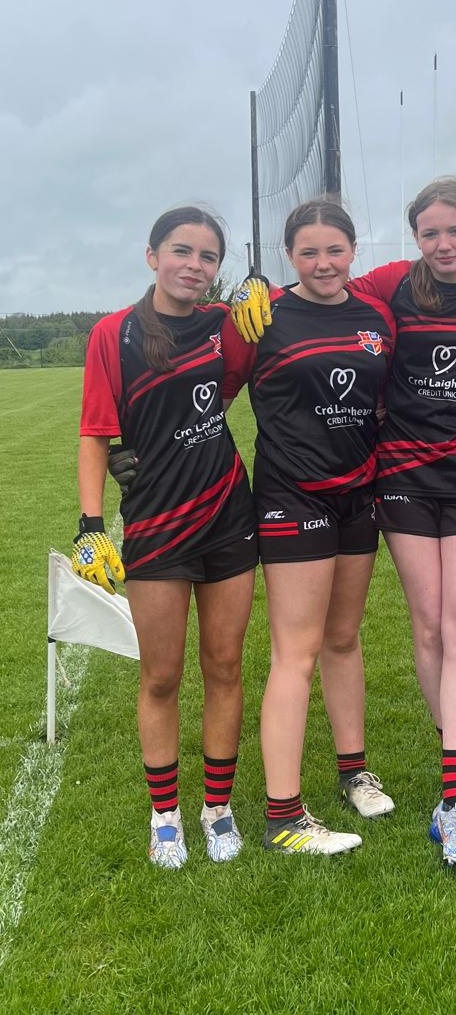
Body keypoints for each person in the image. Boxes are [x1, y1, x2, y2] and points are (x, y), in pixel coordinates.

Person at [73, 205, 257, 869]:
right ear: (152, 255)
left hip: (229, 515)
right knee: (160, 675)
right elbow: (97, 432)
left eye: (209, 257)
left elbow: (237, 381)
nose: (195, 265)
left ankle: (217, 807)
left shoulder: (222, 325)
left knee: (225, 666)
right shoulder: (112, 333)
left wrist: (261, 291)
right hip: (154, 524)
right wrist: (92, 526)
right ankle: (165, 816)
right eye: (182, 250)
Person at [221, 199, 398, 855]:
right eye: (307, 252)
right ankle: (283, 816)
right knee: (295, 652)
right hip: (291, 498)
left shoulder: (376, 313)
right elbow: (210, 389)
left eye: (334, 249)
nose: (323, 263)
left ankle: (354, 771)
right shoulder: (261, 318)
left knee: (344, 638)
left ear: (353, 250)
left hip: (359, 497)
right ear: (287, 258)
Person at [341, 177, 456, 873]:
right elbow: (321, 291)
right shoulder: (390, 283)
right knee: (430, 623)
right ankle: (455, 752)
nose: (442, 243)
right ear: (415, 238)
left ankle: (453, 795)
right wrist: (253, 296)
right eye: (429, 232)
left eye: (454, 231)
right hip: (403, 479)